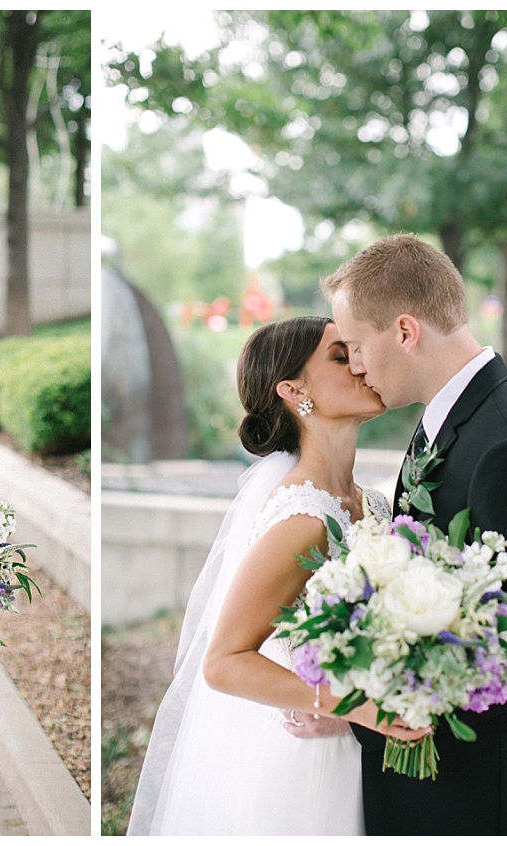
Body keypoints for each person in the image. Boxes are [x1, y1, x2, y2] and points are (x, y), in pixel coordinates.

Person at [127, 316, 428, 836]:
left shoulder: (375, 504)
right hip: (308, 771)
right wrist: (361, 709)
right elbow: (224, 663)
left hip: (355, 744)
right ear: (293, 390)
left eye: (354, 350)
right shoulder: (305, 519)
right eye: (340, 356)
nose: (361, 363)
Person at [322, 233, 507, 835]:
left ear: (406, 332)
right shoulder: (445, 422)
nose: (355, 365)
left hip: (475, 802)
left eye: (356, 346)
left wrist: (364, 706)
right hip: (433, 790)